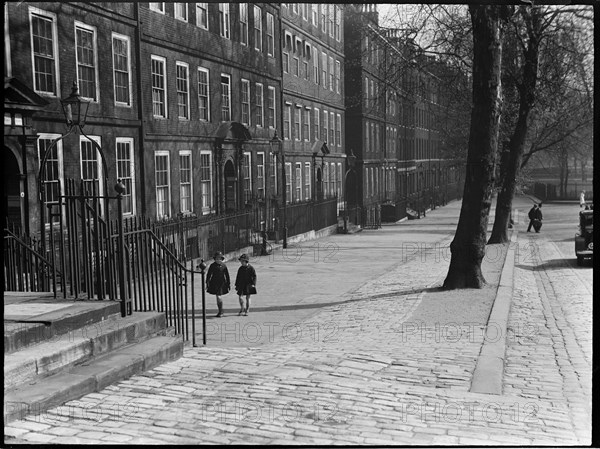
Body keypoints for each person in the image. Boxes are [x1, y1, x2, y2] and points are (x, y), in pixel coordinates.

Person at [206, 251, 230, 317]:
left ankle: (221, 311)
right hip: (214, 283)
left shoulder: (224, 266)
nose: (218, 260)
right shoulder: (212, 266)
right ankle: (220, 310)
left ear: (221, 259)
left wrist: (228, 284)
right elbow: (209, 275)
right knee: (217, 297)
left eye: (219, 258)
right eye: (217, 258)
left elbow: (227, 275)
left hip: (222, 283)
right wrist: (207, 282)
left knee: (219, 297)